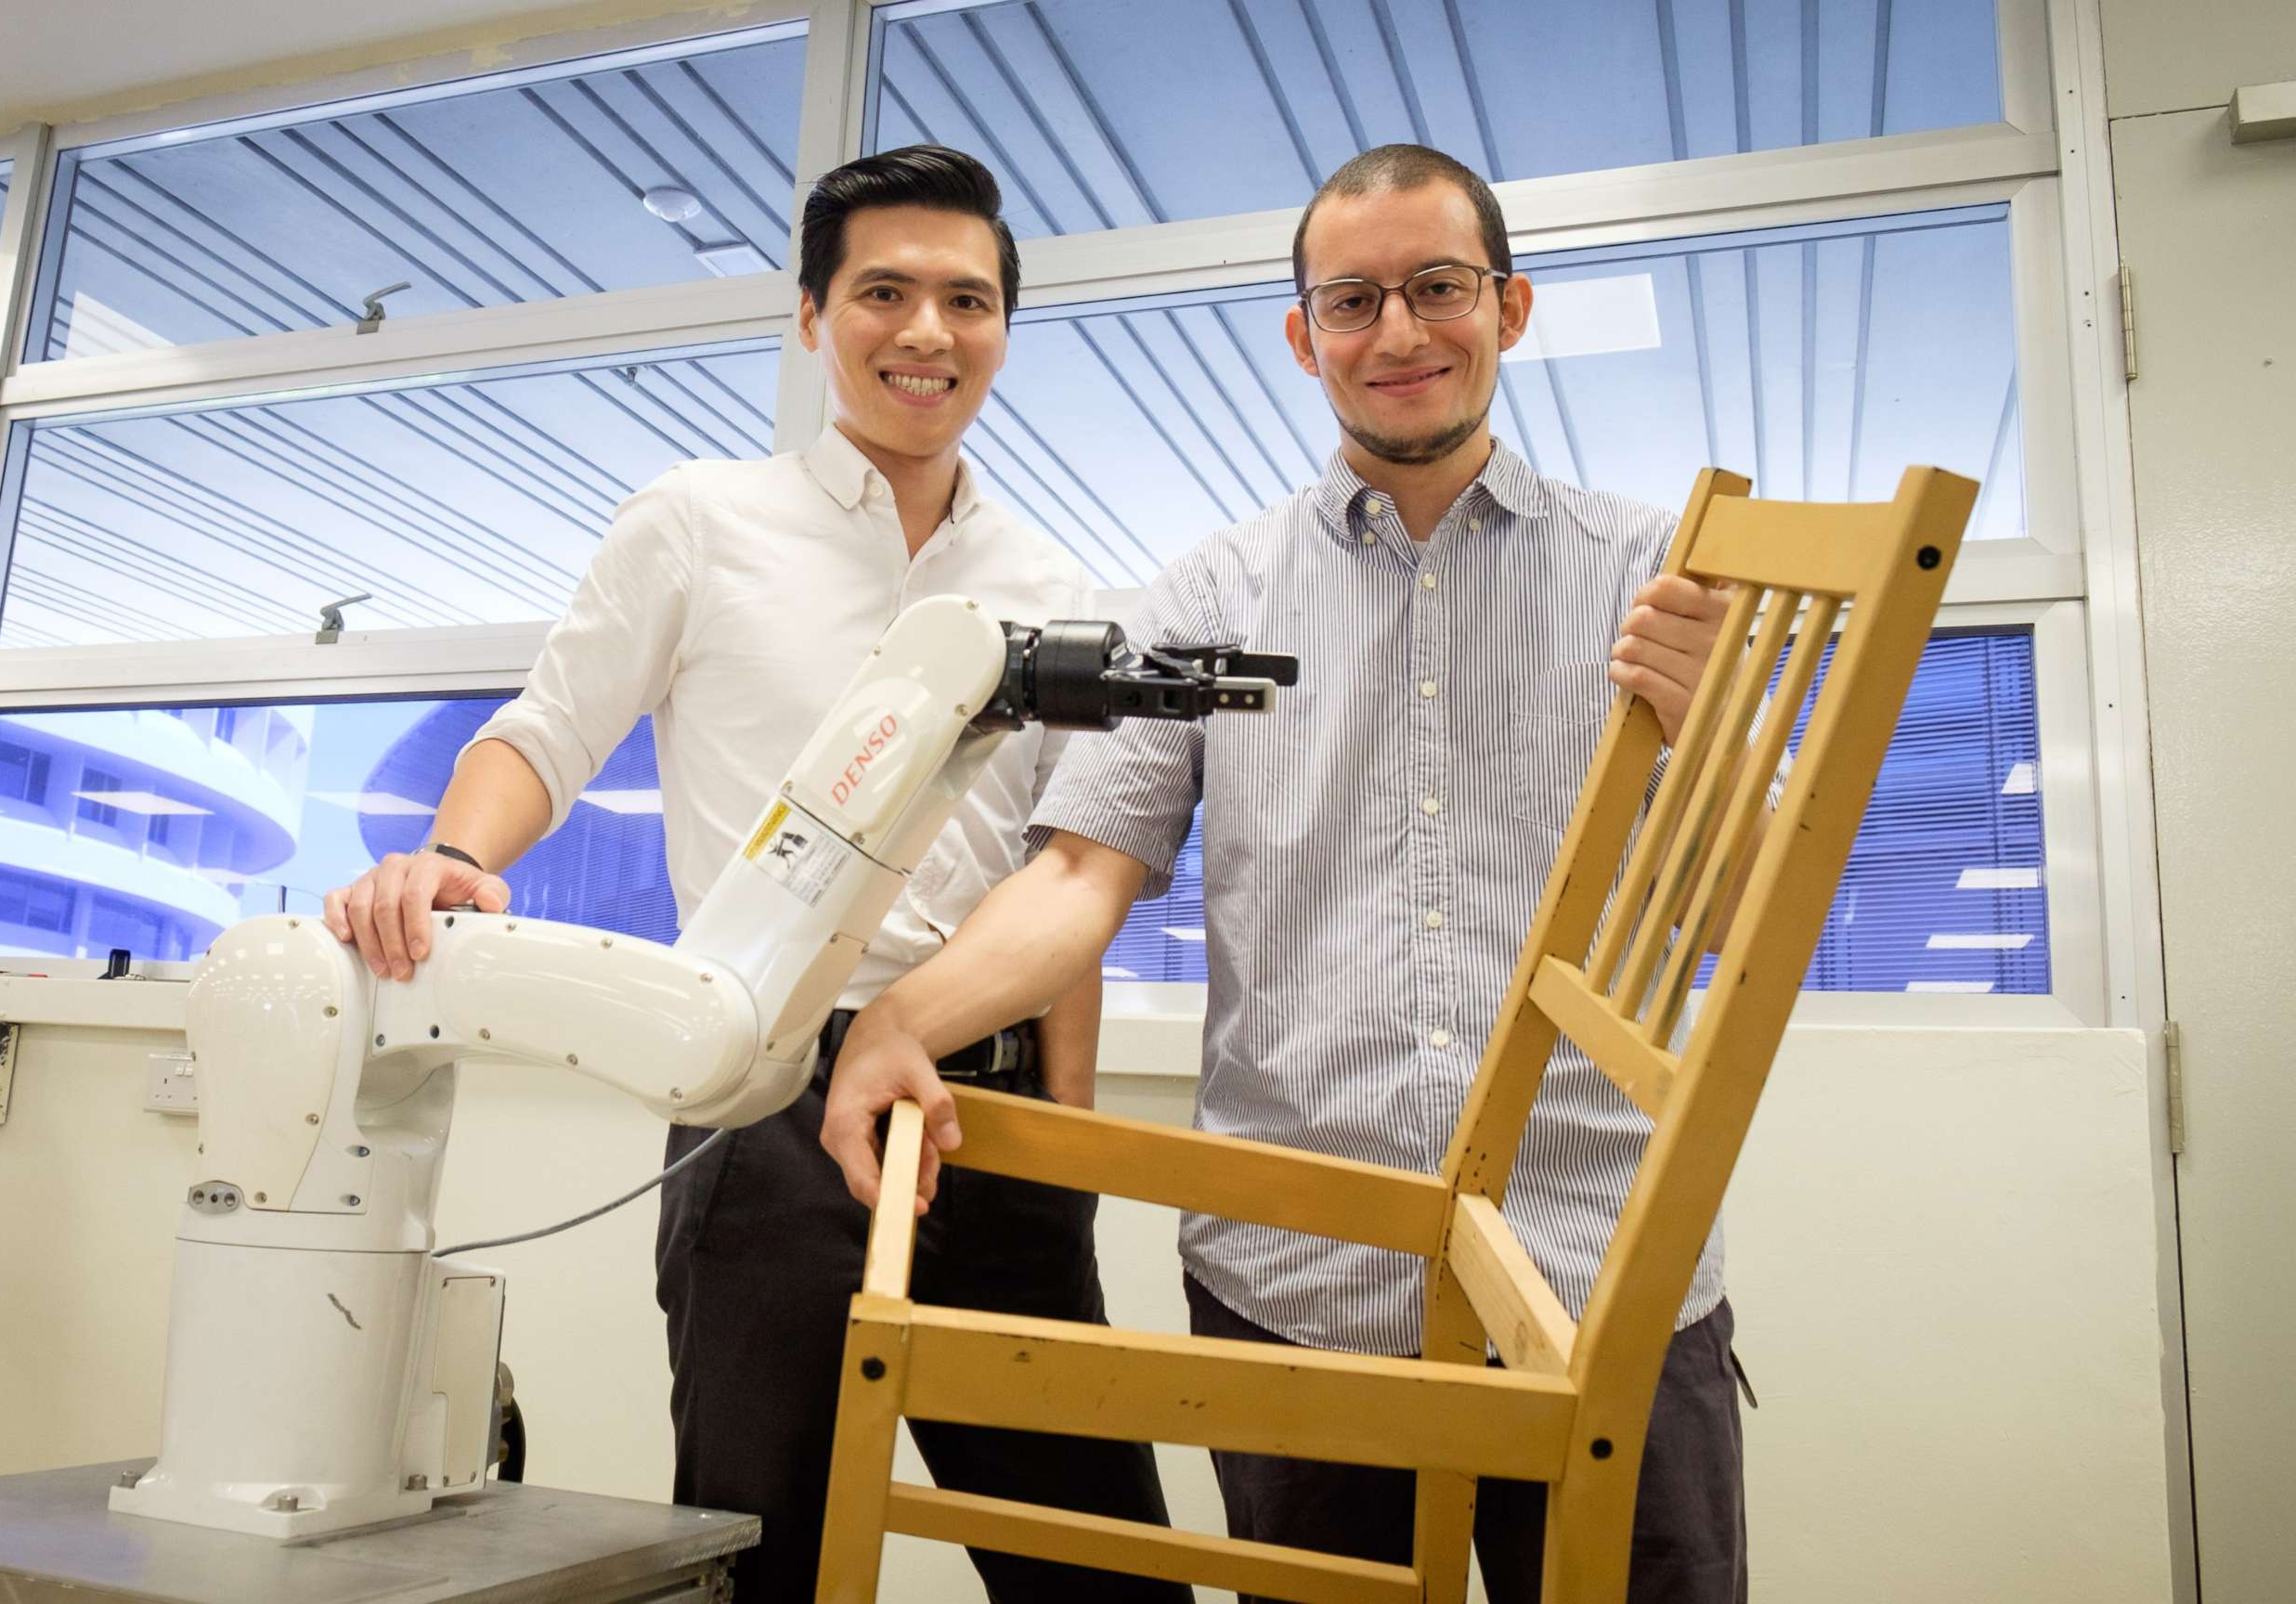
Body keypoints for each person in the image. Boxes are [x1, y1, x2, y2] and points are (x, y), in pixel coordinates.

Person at [820, 143, 1746, 1602]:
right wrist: (895, 1025)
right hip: (1300, 1294)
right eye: (1355, 300)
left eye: (1437, 288)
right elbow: (1078, 875)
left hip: (1603, 1276)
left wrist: (1712, 740)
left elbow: (1736, 922)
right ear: (1304, 337)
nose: (1399, 333)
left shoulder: (1662, 577)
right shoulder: (1207, 598)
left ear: (1509, 310)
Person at [321, 145, 1188, 1604]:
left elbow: (1062, 887)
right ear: (812, 317)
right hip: (767, 1098)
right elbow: (549, 732)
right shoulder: (700, 524)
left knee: (1095, 1561)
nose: (927, 332)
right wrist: (457, 854)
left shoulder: (1054, 587)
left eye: (966, 300)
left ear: (1003, 327)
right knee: (756, 1546)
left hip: (990, 1112)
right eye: (885, 293)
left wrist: (1070, 1147)